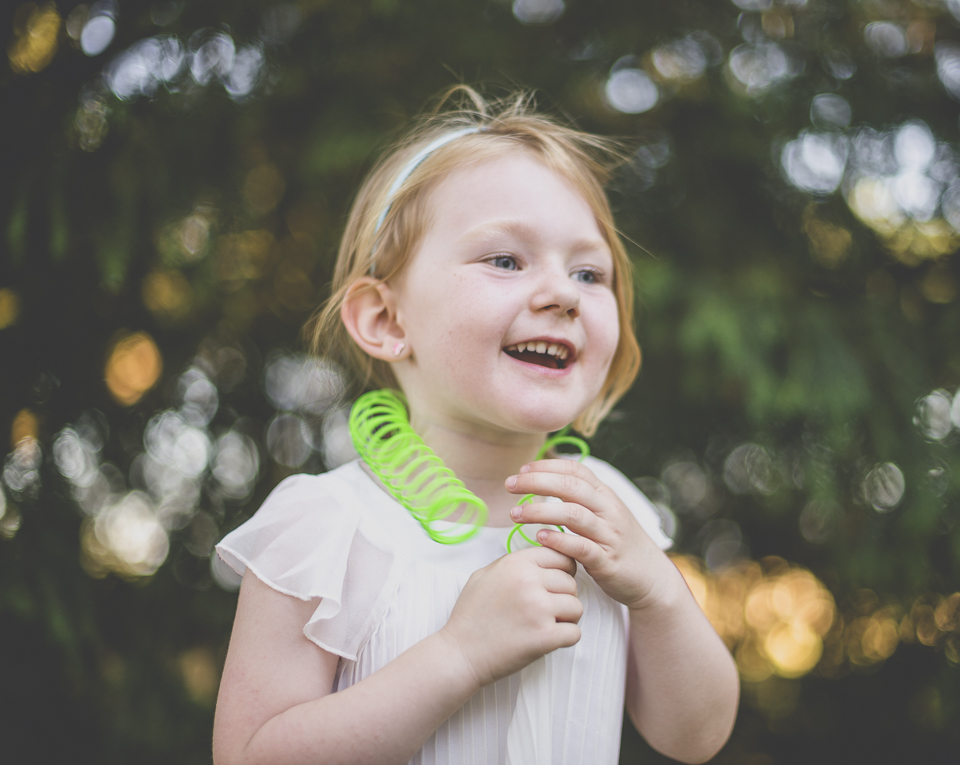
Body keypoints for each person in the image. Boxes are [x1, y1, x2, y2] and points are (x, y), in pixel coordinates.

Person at [212, 89, 738, 765]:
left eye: (589, 271)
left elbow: (695, 736)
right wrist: (457, 654)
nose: (563, 294)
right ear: (386, 320)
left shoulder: (610, 511)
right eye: (505, 260)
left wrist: (660, 591)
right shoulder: (325, 530)